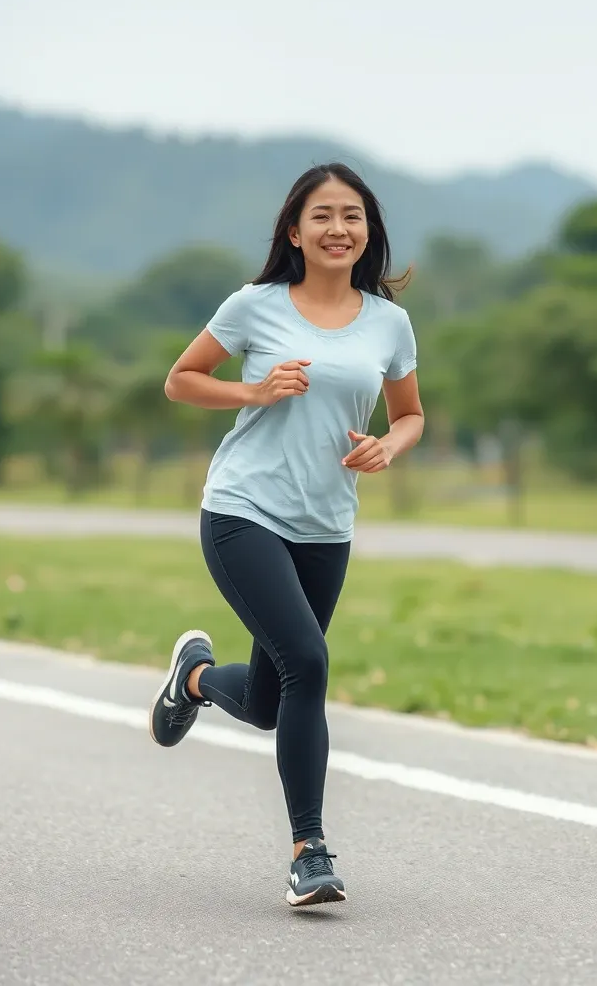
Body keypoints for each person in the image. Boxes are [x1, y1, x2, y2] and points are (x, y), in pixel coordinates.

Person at [147, 163, 424, 906]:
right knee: (308, 660)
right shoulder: (256, 306)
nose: (340, 229)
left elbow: (410, 415)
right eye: (324, 216)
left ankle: (195, 678)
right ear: (295, 232)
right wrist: (253, 390)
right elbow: (182, 378)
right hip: (244, 510)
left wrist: (387, 448)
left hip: (326, 524)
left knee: (273, 701)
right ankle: (310, 849)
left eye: (353, 216)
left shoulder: (388, 323)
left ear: (369, 231)